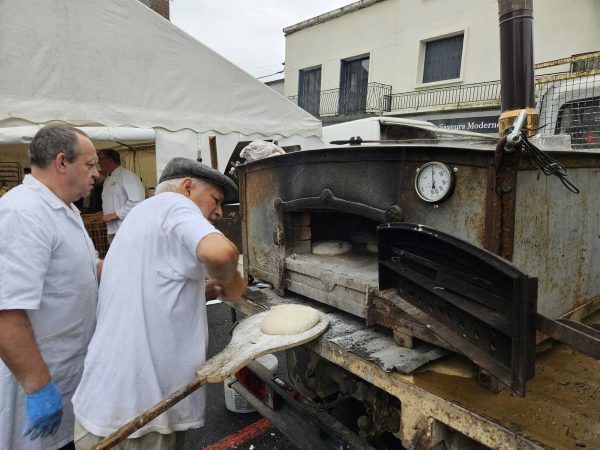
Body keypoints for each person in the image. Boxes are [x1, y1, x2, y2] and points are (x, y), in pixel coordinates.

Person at [72, 157, 247, 449]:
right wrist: (233, 284)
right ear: (188, 187)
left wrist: (202, 292)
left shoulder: (140, 217)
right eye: (215, 200)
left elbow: (153, 288)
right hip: (139, 417)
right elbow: (221, 254)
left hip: (108, 407)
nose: (218, 212)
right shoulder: (175, 205)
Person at [0, 125, 101, 450]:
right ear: (61, 162)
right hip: (41, 384)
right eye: (90, 165)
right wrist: (37, 386)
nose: (96, 174)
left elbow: (89, 269)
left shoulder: (64, 209)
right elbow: (6, 310)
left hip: (69, 375)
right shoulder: (23, 213)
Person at [97, 148, 145, 243]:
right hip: (113, 230)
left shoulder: (127, 176)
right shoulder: (108, 179)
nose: (98, 163)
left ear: (109, 160)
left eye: (100, 159)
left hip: (126, 229)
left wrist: (115, 215)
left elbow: (137, 201)